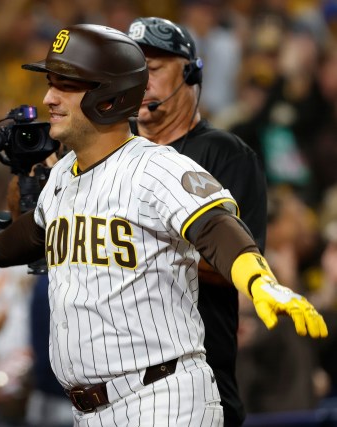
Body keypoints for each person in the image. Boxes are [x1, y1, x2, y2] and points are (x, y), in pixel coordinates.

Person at [0, 24, 327, 426]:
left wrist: (258, 280)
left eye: (65, 86)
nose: (48, 98)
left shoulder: (157, 166)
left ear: (108, 99)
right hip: (91, 410)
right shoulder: (63, 176)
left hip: (161, 400)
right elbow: (31, 237)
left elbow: (215, 227)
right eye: (50, 83)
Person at [126, 17, 267, 427]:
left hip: (198, 382)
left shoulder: (227, 155)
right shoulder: (114, 158)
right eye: (132, 72)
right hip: (119, 385)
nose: (140, 83)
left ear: (190, 72)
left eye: (151, 71)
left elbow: (242, 265)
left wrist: (145, 252)